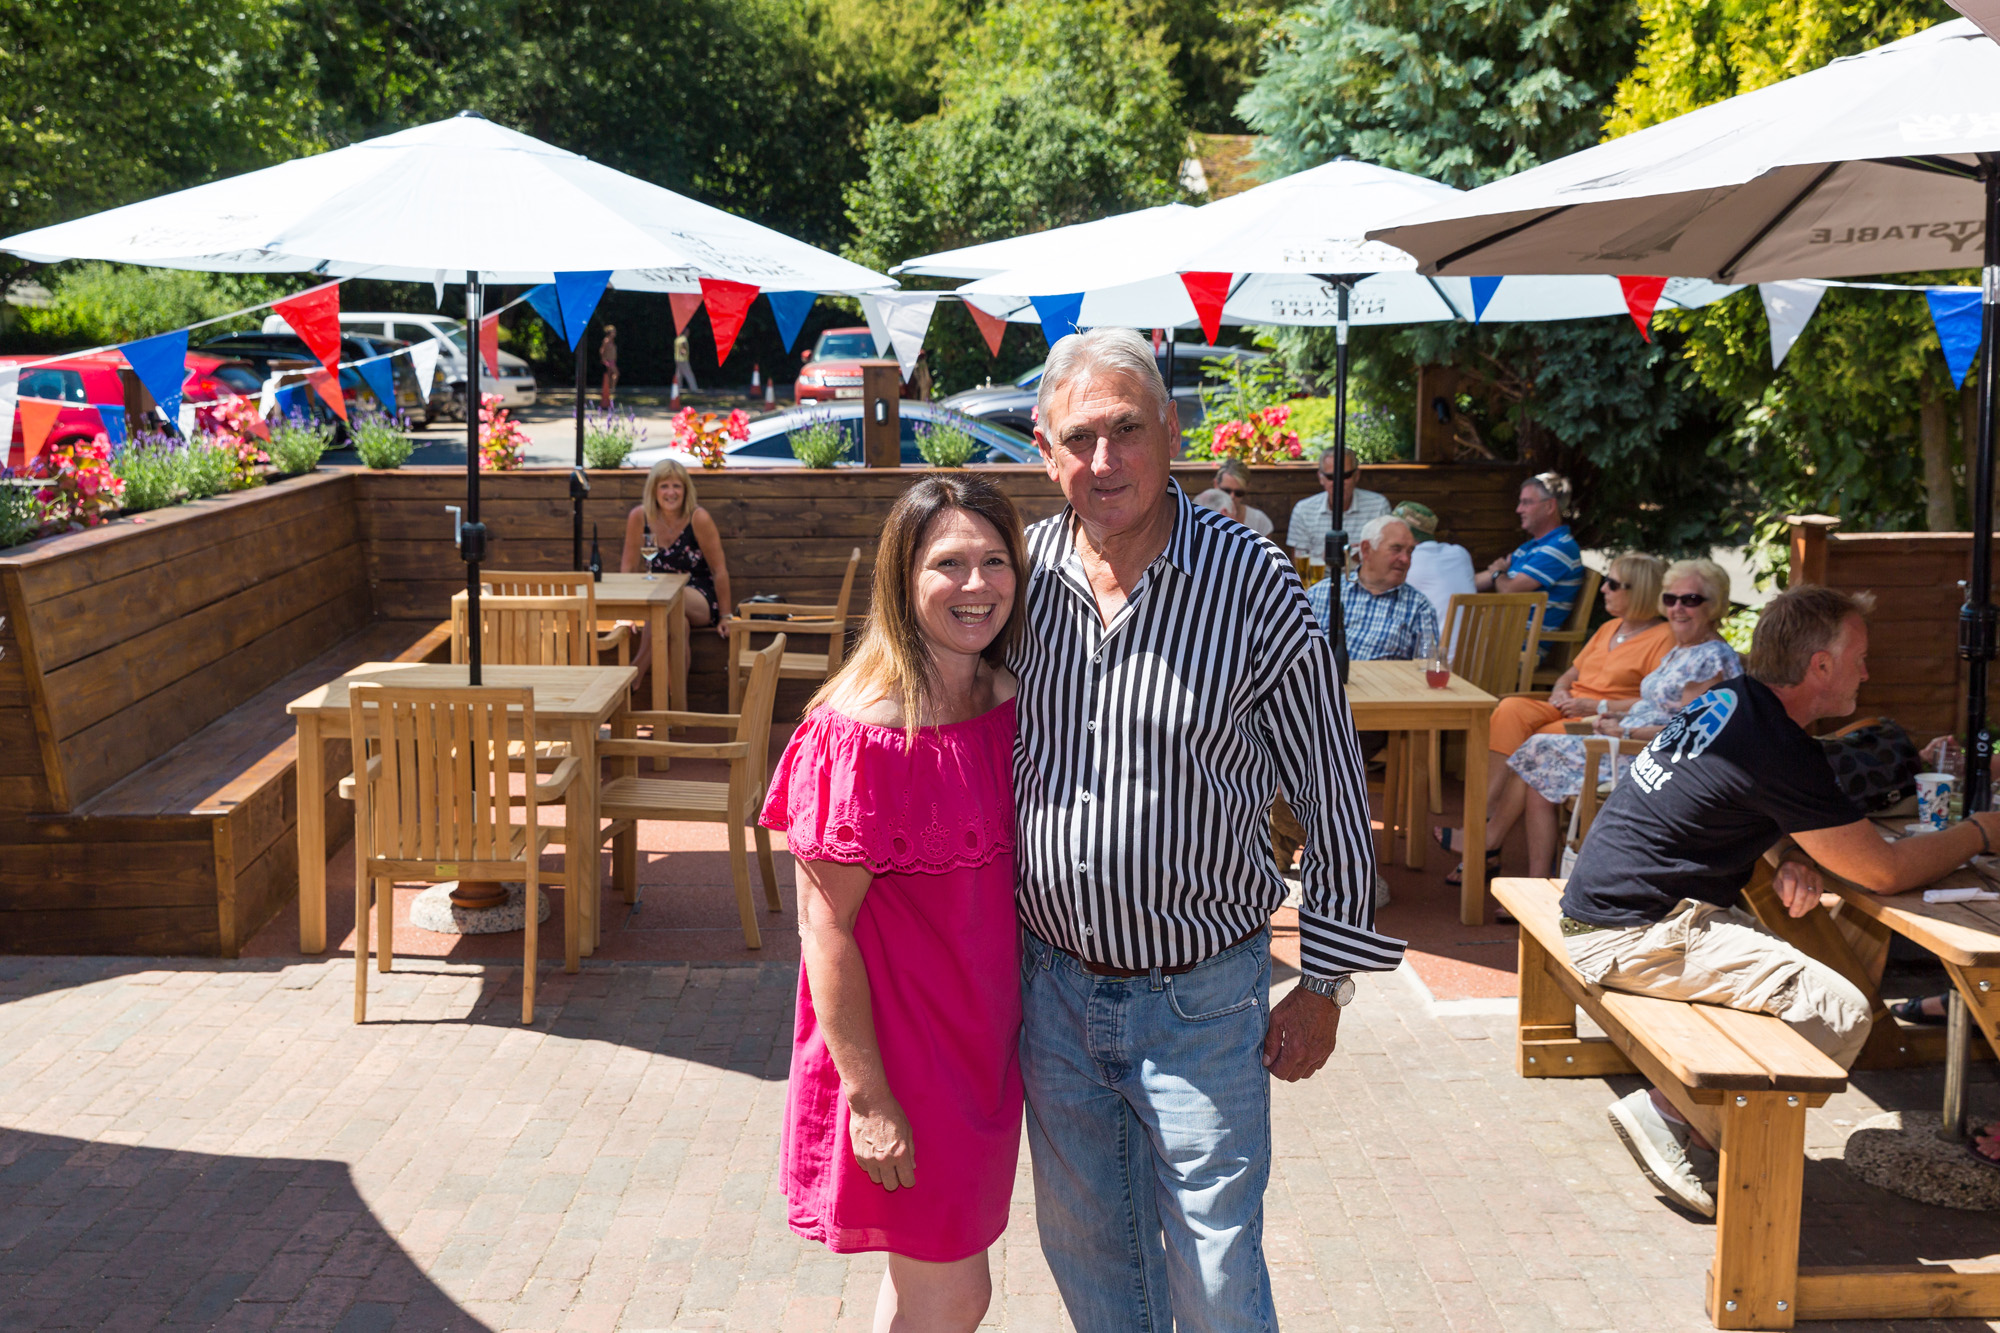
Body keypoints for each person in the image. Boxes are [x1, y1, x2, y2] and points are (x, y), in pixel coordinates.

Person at [1015, 327, 1404, 1330]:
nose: (1103, 462)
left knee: (1217, 1278)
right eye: (1078, 437)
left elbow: (1327, 786)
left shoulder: (1251, 581)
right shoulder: (1018, 579)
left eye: (1126, 430)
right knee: (1091, 1264)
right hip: (1051, 992)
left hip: (1200, 1000)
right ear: (1041, 444)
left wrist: (1323, 982)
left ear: (1172, 431)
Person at [1563, 584, 2000, 1215]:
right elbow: (1882, 870)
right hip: (1635, 935)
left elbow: (1733, 798)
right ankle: (1675, 1117)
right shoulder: (1777, 745)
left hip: (1615, 910)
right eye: (1861, 657)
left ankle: (1715, 1130)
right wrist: (1983, 830)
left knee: (1804, 977)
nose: (1868, 672)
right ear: (1820, 665)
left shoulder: (1735, 704)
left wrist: (1793, 851)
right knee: (1842, 1012)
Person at [760, 474, 1027, 1331]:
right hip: (907, 1056)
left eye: (994, 559)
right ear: (902, 577)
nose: (977, 584)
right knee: (956, 1290)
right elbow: (823, 929)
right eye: (949, 563)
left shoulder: (1008, 697)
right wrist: (870, 1099)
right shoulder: (863, 729)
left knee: (926, 1283)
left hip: (986, 1043)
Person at [1438, 552, 1673, 886]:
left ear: (1641, 590)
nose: (1604, 589)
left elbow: (1656, 700)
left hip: (1597, 719)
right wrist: (1561, 691)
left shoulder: (1664, 638)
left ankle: (1487, 842)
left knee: (1536, 747)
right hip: (1568, 705)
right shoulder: (1608, 627)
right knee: (1509, 710)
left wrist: (1595, 705)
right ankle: (1481, 821)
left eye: (1613, 584)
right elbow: (1571, 673)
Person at [1499, 559, 1740, 877]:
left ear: (1714, 606)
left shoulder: (1709, 659)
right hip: (1630, 743)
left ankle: (1517, 862)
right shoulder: (1686, 649)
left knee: (1539, 751)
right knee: (1539, 762)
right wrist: (1611, 714)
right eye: (1671, 599)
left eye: (1691, 600)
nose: (1678, 608)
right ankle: (1538, 879)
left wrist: (1626, 733)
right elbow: (1657, 705)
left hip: (1653, 761)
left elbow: (1690, 734)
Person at [621, 458, 731, 693]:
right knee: (676, 623)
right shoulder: (640, 517)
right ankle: (675, 704)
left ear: (685, 490)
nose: (671, 492)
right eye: (664, 486)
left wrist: (726, 615)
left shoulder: (698, 518)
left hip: (697, 596)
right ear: (654, 490)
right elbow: (628, 567)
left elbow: (719, 570)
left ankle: (632, 678)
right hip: (660, 601)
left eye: (676, 486)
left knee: (666, 604)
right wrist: (628, 613)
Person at [1307, 514, 1438, 662]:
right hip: (1323, 682)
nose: (1405, 559)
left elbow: (1426, 668)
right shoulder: (1321, 594)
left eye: (1410, 551)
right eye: (1396, 549)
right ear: (1366, 549)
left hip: (1385, 683)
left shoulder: (1419, 607)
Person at [1475, 472, 1586, 632]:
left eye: (1526, 503)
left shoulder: (1560, 548)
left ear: (1549, 506)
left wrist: (1498, 574)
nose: (1518, 509)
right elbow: (1483, 579)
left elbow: (1508, 590)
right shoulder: (1531, 547)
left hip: (1515, 646)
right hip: (1498, 638)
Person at [1286, 446, 1390, 568]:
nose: (1339, 482)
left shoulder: (1378, 506)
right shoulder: (1303, 510)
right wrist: (1326, 559)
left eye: (1346, 475)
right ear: (1321, 478)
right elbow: (1298, 565)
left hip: (1363, 583)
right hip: (1318, 583)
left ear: (1357, 475)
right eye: (1331, 477)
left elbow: (1387, 556)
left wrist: (1363, 555)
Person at [1395, 500, 1477, 632]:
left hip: (1432, 650)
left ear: (1404, 534)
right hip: (1472, 649)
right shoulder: (1460, 553)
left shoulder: (1407, 560)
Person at [1208, 458, 1274, 536]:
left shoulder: (1259, 520)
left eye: (1239, 493)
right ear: (1216, 484)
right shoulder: (1204, 518)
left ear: (1247, 488)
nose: (1232, 497)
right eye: (1226, 491)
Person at [598, 324, 619, 410]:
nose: (615, 333)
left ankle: (608, 394)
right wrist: (604, 360)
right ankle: (612, 389)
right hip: (609, 362)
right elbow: (602, 350)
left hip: (613, 361)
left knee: (610, 377)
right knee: (616, 374)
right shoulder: (606, 341)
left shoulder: (612, 341)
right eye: (613, 332)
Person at [673, 328, 699, 394]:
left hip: (677, 359)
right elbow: (683, 349)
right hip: (683, 359)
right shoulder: (683, 340)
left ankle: (677, 388)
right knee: (688, 373)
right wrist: (683, 352)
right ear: (685, 332)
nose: (688, 333)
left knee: (678, 374)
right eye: (688, 332)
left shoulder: (677, 339)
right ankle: (694, 388)